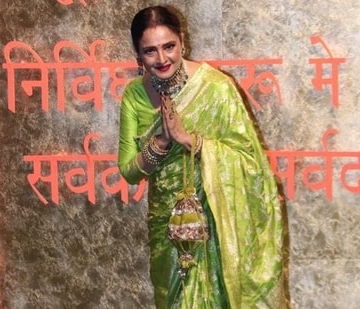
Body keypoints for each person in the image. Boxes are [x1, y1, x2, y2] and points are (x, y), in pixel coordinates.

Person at [118, 5, 285, 308]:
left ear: (182, 41)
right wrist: (163, 141)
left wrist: (188, 139)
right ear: (138, 54)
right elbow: (130, 172)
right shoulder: (134, 95)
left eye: (169, 46)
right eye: (150, 51)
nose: (162, 58)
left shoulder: (217, 88)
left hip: (217, 222)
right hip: (167, 230)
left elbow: (250, 162)